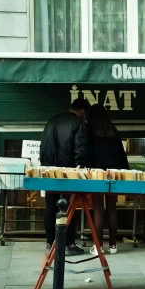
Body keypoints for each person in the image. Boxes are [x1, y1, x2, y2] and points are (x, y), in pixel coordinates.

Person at [40, 98, 90, 255]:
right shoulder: (79, 124)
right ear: (81, 111)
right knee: (69, 206)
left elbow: (44, 144)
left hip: (48, 169)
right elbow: (80, 147)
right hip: (69, 170)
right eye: (85, 114)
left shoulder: (52, 121)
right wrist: (80, 166)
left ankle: (50, 242)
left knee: (50, 206)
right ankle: (69, 243)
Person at [87, 103, 129, 254]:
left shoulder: (89, 131)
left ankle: (98, 247)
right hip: (114, 172)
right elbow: (122, 154)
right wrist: (125, 172)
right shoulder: (113, 130)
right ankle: (113, 246)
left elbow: (86, 153)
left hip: (96, 173)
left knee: (98, 209)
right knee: (112, 209)